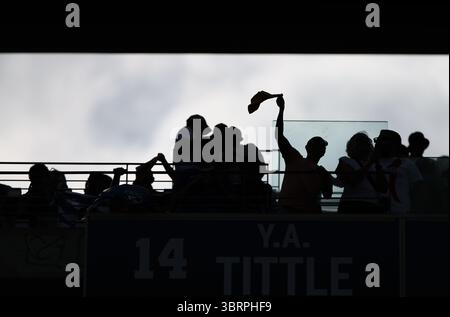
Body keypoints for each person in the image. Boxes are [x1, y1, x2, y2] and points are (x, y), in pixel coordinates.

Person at [274, 96, 332, 213]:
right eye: (317, 144)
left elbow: (327, 195)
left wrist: (281, 110)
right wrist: (281, 110)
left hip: (305, 213)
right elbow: (279, 135)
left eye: (321, 145)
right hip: (292, 211)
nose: (319, 147)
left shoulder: (297, 160)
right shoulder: (295, 158)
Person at [335, 132, 387, 213]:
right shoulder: (345, 161)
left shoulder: (375, 165)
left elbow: (383, 188)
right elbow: (354, 180)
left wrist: (377, 164)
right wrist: (371, 162)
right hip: (352, 204)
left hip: (371, 205)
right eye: (361, 144)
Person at [374, 130, 423, 213]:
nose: (378, 143)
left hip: (401, 215)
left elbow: (419, 189)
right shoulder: (370, 163)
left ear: (395, 144)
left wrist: (417, 212)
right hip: (373, 214)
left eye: (384, 139)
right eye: (378, 140)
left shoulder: (407, 163)